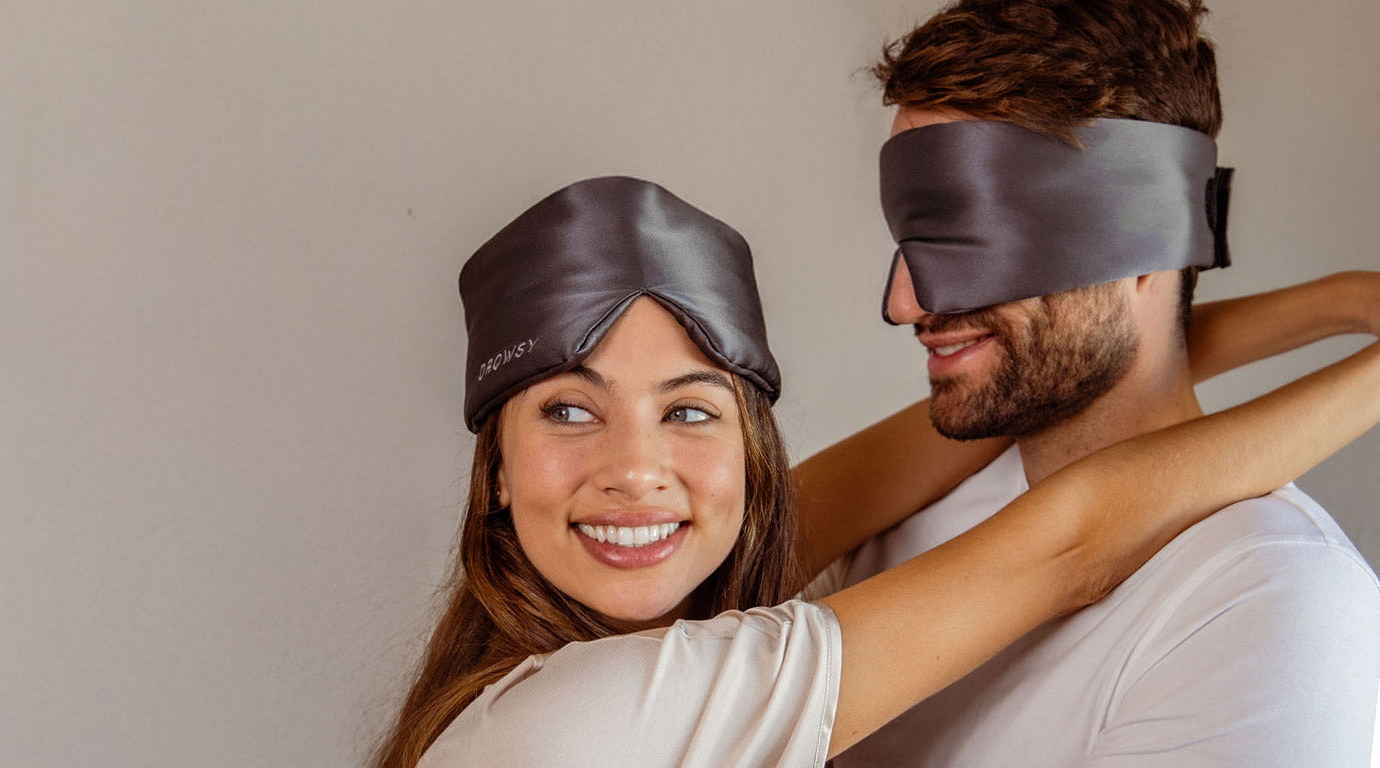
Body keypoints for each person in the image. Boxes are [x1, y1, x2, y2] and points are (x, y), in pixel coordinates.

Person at [368, 175, 1380, 767]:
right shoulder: (573, 725)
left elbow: (1005, 406)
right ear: (494, 469)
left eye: (686, 411)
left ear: (749, 463)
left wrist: (1336, 303)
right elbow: (1071, 541)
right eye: (567, 411)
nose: (636, 472)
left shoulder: (693, 590)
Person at [811, 1, 1380, 764]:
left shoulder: (1270, 603)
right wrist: (1337, 300)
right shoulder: (903, 510)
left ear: (1145, 234)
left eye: (973, 240)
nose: (904, 302)